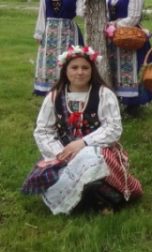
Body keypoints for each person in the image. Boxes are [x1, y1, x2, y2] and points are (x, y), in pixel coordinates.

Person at [25, 46, 143, 214]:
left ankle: (102, 195)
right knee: (51, 175)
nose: (80, 72)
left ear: (92, 70)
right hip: (64, 151)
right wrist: (60, 153)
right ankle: (81, 198)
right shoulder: (54, 96)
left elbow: (113, 127)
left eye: (85, 68)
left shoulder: (104, 95)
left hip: (98, 148)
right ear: (65, 70)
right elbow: (43, 130)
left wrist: (83, 143)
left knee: (91, 159)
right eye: (74, 67)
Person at [106, 0, 152, 115]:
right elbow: (107, 12)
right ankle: (117, 99)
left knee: (131, 68)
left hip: (130, 36)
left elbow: (134, 17)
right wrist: (108, 24)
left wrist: (115, 26)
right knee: (115, 66)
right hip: (114, 35)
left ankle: (133, 104)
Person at [34, 0, 85, 95]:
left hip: (67, 31)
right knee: (49, 60)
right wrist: (39, 31)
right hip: (50, 30)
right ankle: (48, 90)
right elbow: (42, 10)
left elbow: (81, 13)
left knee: (67, 60)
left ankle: (67, 89)